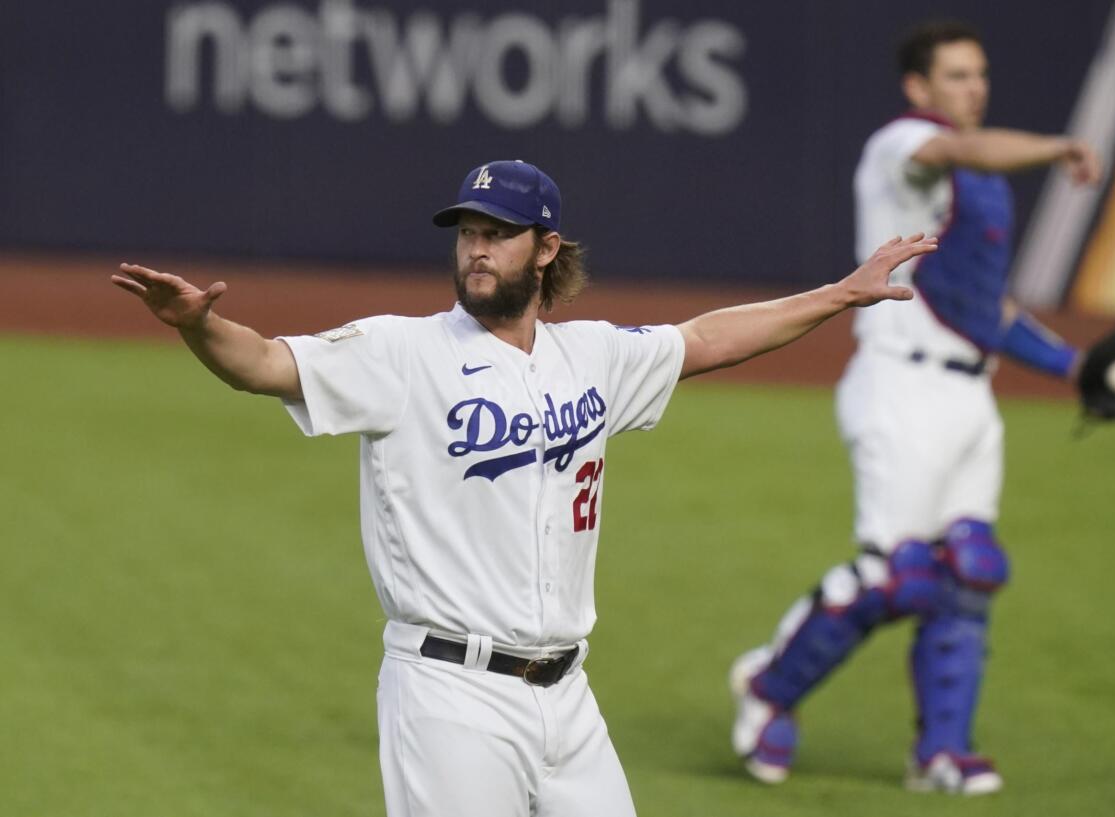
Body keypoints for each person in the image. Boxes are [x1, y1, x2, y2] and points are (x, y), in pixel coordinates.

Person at [112, 158, 936, 817]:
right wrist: (199, 326)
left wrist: (837, 295)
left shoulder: (594, 356)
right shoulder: (400, 353)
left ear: (545, 249)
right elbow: (262, 364)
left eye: (498, 233)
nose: (477, 248)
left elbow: (704, 339)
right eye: (468, 230)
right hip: (449, 693)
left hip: (569, 696)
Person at [729, 20, 1102, 795]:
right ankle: (767, 691)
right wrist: (1060, 146)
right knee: (892, 576)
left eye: (979, 74)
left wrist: (1074, 366)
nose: (973, 88)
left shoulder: (984, 180)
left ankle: (941, 750)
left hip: (969, 394)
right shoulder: (902, 146)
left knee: (968, 571)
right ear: (918, 87)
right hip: (899, 383)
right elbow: (962, 148)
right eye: (956, 76)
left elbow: (978, 306)